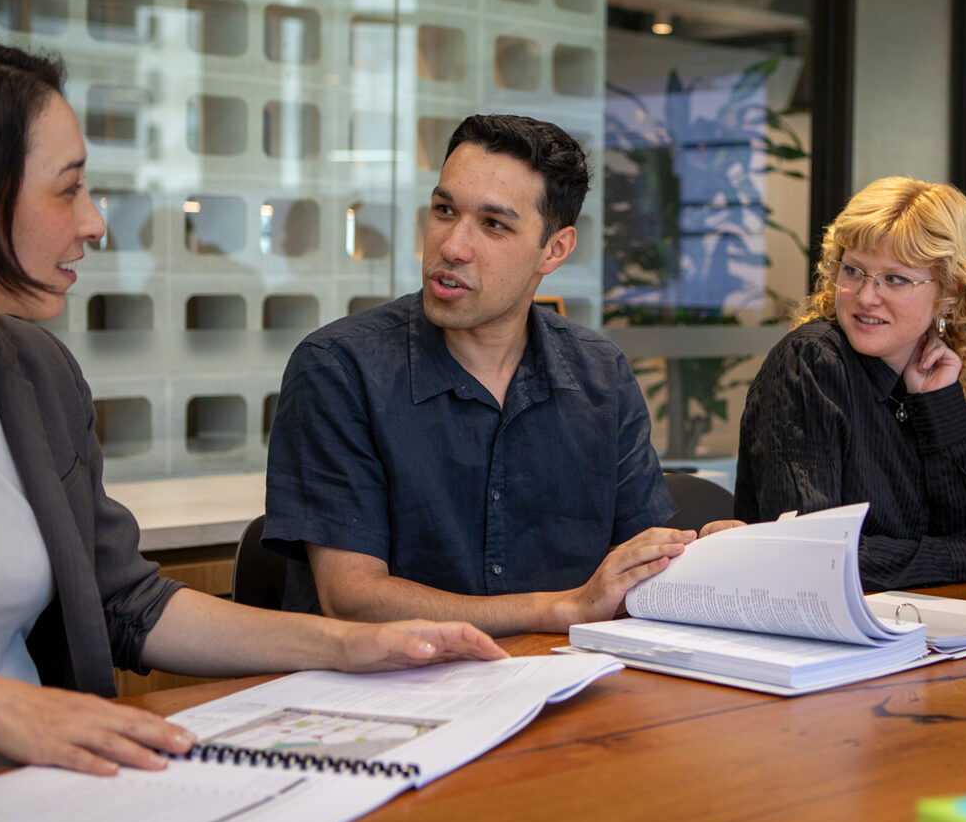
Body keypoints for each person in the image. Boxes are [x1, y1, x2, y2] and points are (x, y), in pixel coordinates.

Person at [0, 33, 507, 777]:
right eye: (68, 190)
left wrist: (345, 644)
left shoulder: (36, 373)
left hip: (43, 788)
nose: (94, 223)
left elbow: (126, 602)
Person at [264, 114, 702, 637]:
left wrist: (713, 554)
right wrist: (561, 609)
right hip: (390, 693)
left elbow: (641, 566)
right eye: (444, 211)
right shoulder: (340, 367)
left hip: (558, 683)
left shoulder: (599, 374)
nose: (452, 246)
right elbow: (352, 599)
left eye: (494, 224)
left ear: (554, 249)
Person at [733, 177, 966, 592]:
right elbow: (810, 555)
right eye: (853, 270)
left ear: (948, 293)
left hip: (911, 628)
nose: (865, 297)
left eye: (894, 279)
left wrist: (938, 406)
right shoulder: (812, 363)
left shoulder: (922, 375)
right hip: (814, 637)